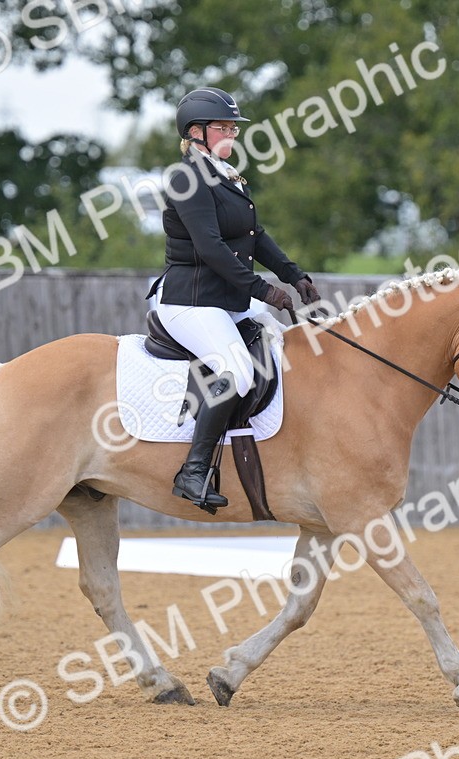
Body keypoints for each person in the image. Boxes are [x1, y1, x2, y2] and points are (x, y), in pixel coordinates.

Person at [145, 87, 320, 511]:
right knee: (237, 372)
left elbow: (254, 238)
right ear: (196, 132)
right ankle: (193, 471)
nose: (232, 134)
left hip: (226, 299)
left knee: (285, 342)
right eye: (223, 127)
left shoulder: (225, 175)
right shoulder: (186, 178)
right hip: (190, 302)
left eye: (232, 127)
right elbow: (210, 247)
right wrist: (262, 290)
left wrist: (295, 276)